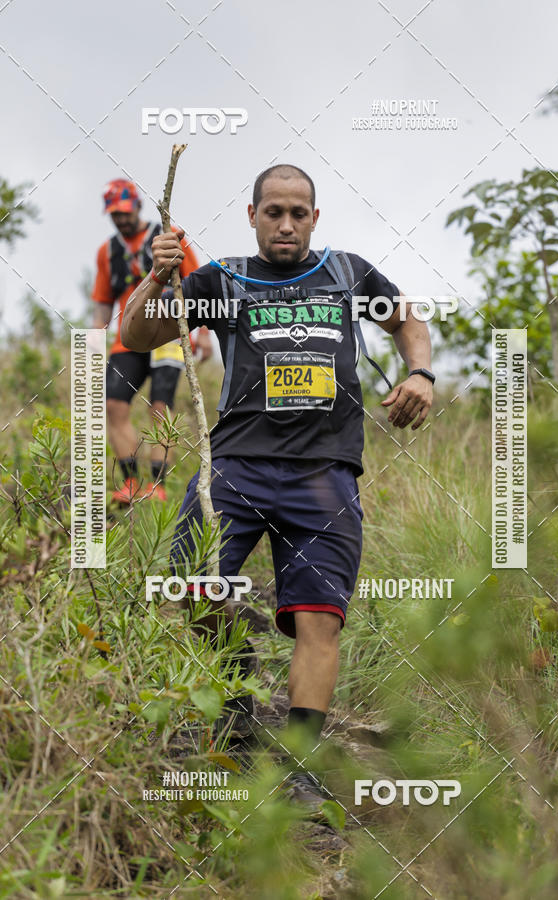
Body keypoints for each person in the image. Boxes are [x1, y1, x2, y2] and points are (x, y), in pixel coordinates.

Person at [121, 164, 434, 804]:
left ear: (315, 218)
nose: (285, 223)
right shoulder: (223, 279)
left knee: (319, 621)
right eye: (273, 212)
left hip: (326, 476)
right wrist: (158, 273)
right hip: (235, 467)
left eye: (298, 212)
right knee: (192, 585)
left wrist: (421, 372)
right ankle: (235, 700)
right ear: (253, 215)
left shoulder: (348, 273)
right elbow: (138, 333)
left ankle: (299, 763)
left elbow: (408, 321)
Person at [91, 178, 213, 504]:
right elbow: (103, 302)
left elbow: (198, 283)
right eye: (115, 213)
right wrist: (93, 341)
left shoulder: (168, 237)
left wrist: (202, 333)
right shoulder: (107, 252)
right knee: (113, 406)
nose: (121, 218)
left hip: (167, 334)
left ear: (138, 207)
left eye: (125, 212)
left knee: (160, 407)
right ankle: (130, 482)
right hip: (126, 340)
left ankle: (157, 486)